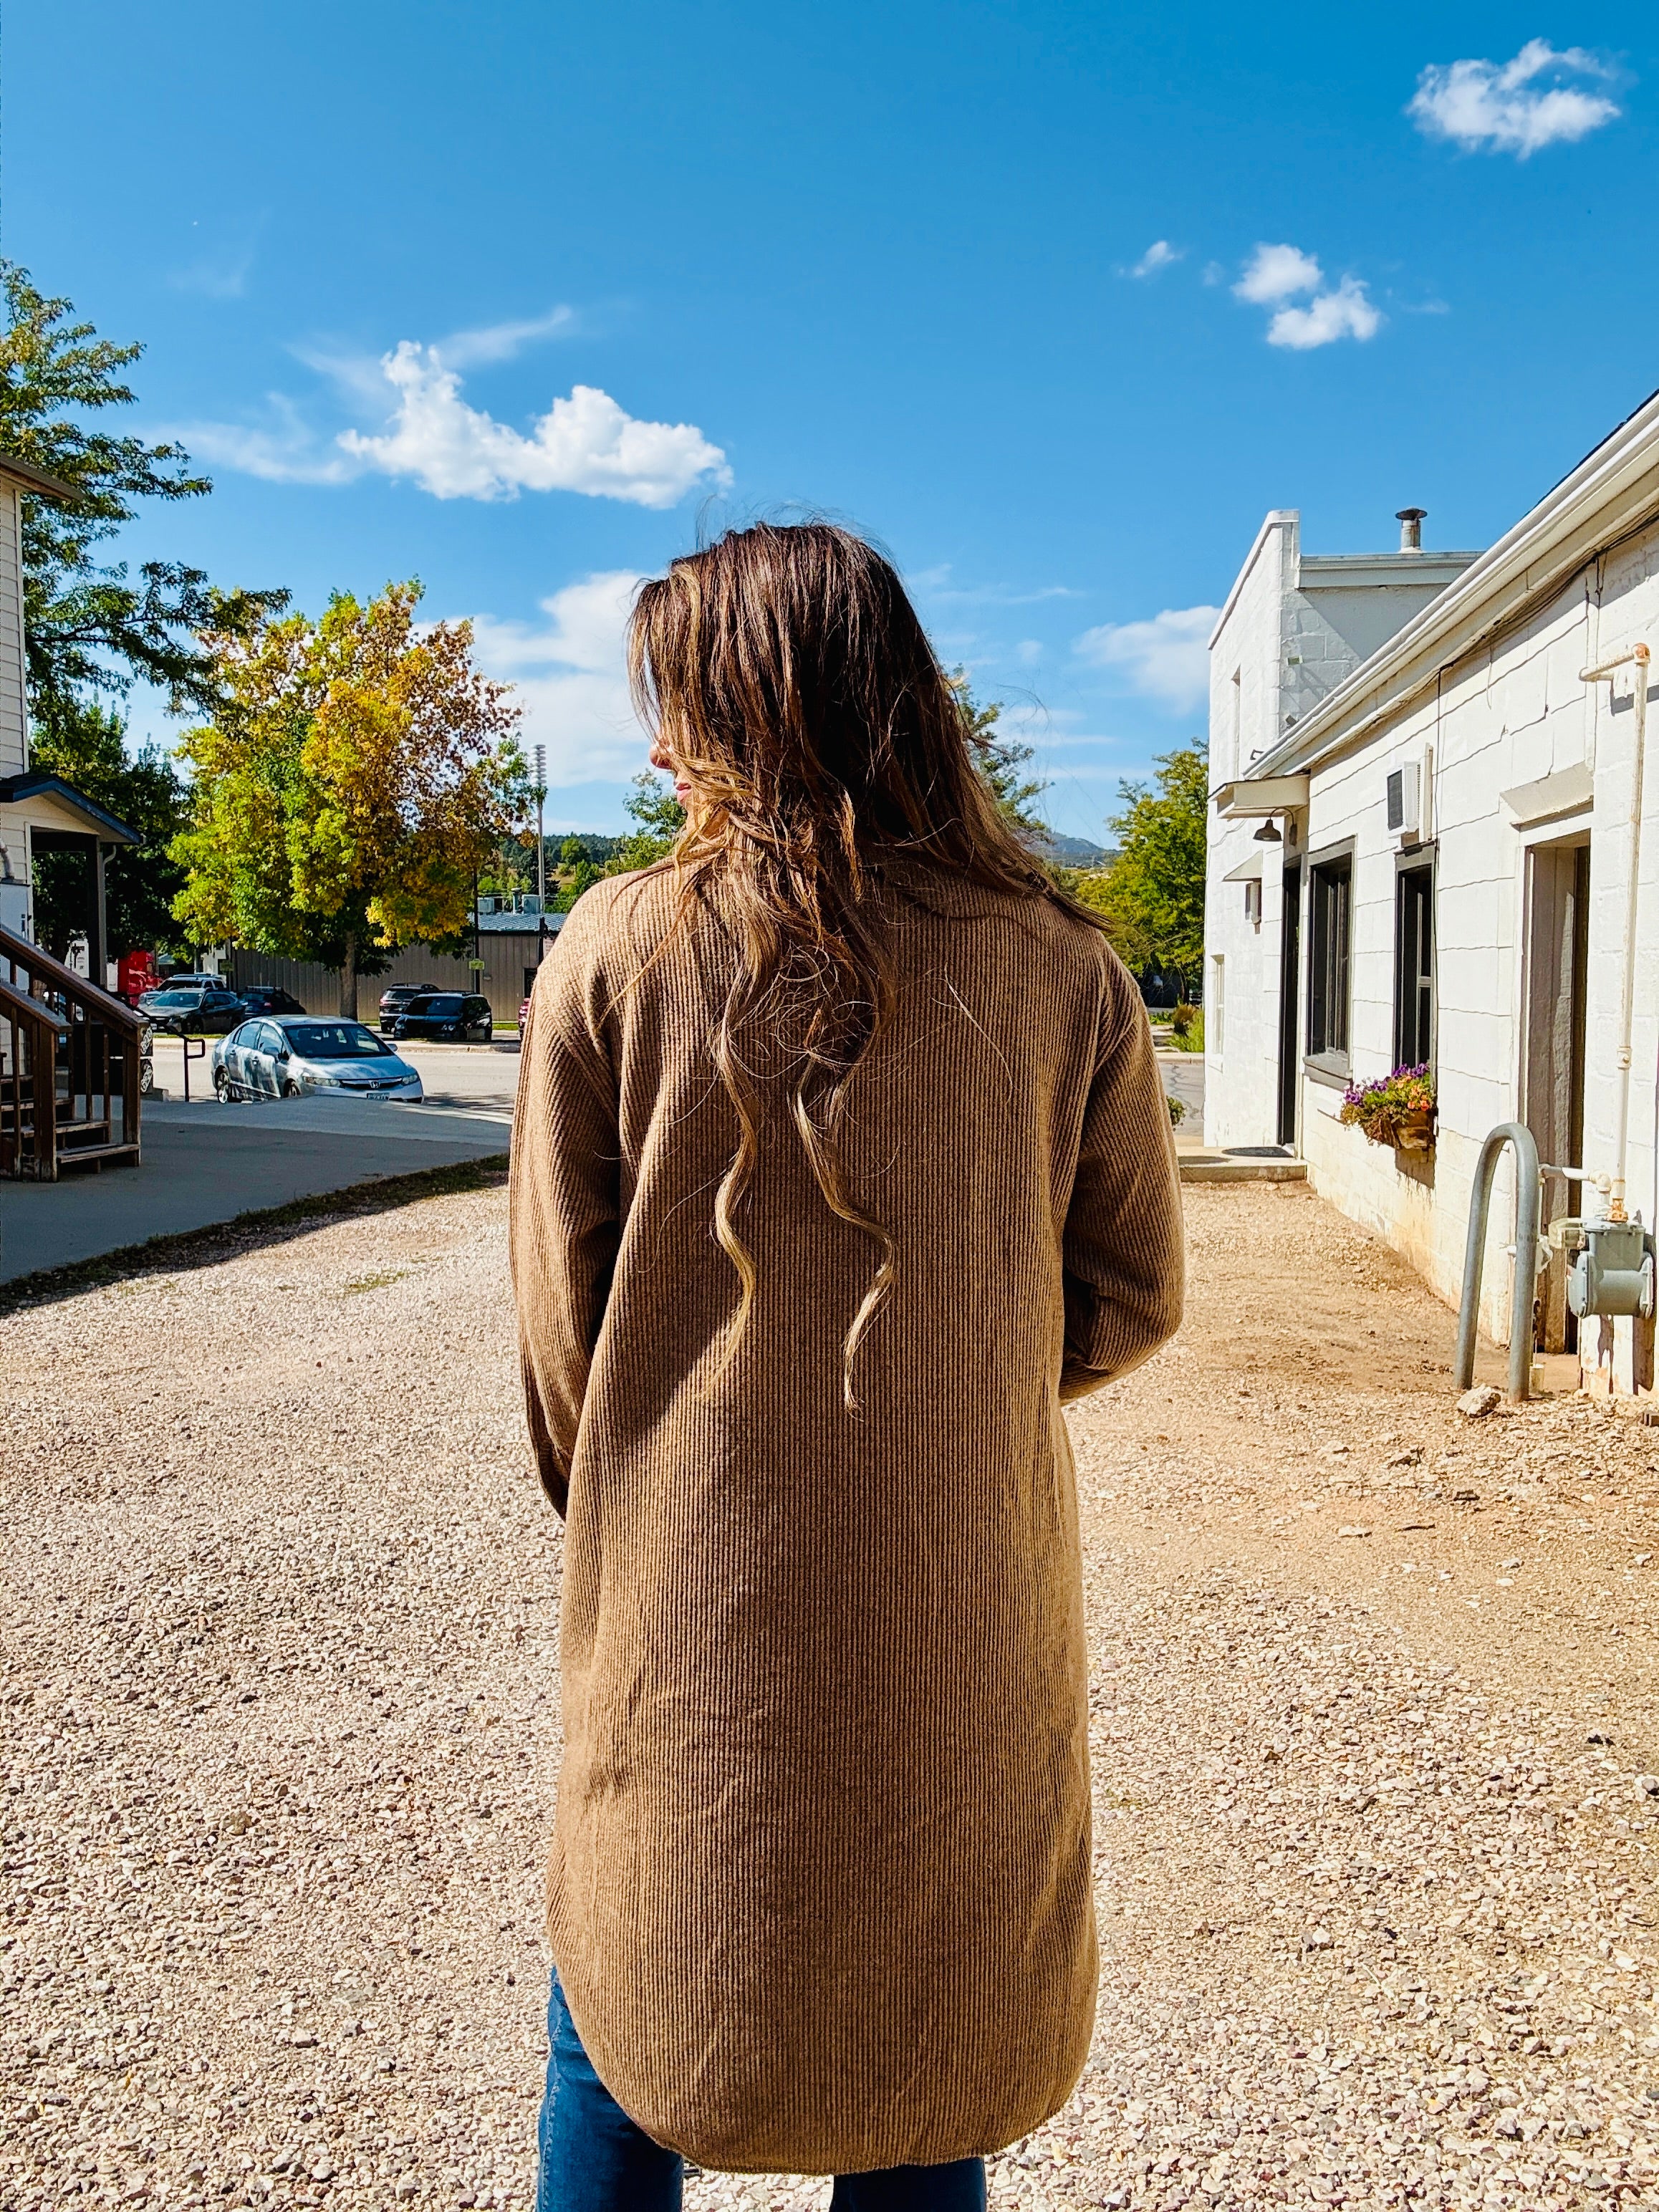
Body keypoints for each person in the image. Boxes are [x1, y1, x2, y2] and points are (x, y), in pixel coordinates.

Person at [509, 522, 1184, 2209]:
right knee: (926, 2034)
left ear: (747, 708)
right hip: (963, 1611)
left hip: (690, 1616)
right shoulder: (1062, 964)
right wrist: (946, 1394)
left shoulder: (612, 948)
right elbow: (1131, 1291)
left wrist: (668, 1486)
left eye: (673, 704)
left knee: (628, 1994)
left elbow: (558, 1345)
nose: (654, 746)